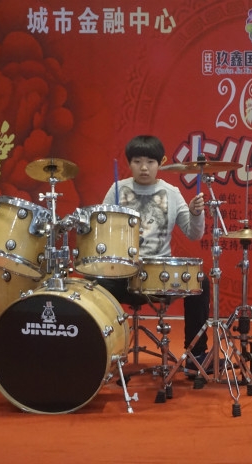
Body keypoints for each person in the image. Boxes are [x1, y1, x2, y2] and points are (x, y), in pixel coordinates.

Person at [99, 135, 210, 371]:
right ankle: (102, 351)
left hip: (159, 274)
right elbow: (102, 229)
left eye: (150, 162)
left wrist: (196, 213)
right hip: (123, 272)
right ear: (129, 163)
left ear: (160, 163)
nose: (144, 167)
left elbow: (194, 234)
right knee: (94, 286)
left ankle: (196, 355)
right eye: (137, 161)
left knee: (201, 282)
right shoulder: (117, 190)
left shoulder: (171, 192)